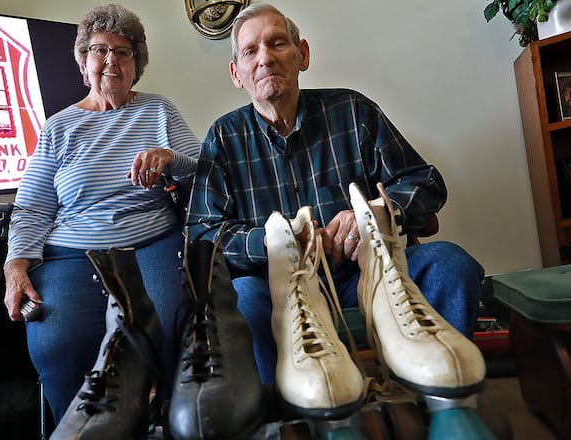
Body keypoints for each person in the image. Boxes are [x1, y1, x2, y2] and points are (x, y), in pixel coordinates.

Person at [185, 3, 484, 386]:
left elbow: (425, 183)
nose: (265, 59)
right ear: (236, 73)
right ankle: (285, 417)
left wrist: (372, 213)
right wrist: (277, 242)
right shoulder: (224, 138)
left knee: (449, 262)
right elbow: (203, 235)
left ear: (302, 54)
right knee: (241, 297)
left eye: (277, 43)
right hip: (280, 292)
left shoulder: (352, 110)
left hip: (368, 274)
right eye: (250, 52)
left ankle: (443, 393)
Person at [2, 3, 200, 422]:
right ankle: (84, 429)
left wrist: (171, 158)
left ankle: (161, 425)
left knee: (162, 331)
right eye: (99, 50)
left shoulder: (158, 111)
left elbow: (204, 171)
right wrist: (16, 267)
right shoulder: (59, 127)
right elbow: (33, 206)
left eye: (123, 52)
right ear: (83, 60)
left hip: (150, 240)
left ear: (136, 64)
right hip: (73, 252)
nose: (111, 60)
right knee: (58, 340)